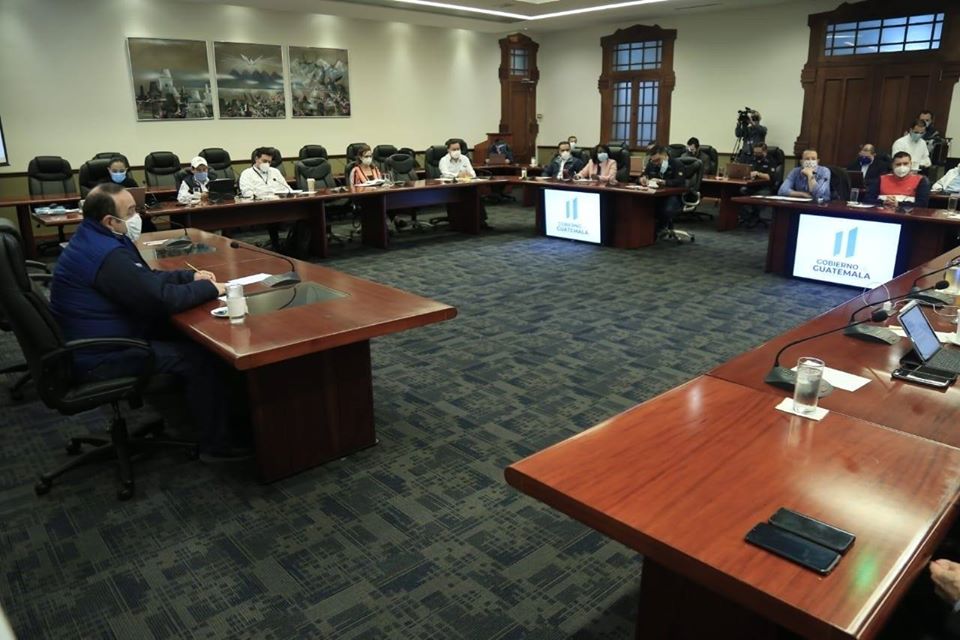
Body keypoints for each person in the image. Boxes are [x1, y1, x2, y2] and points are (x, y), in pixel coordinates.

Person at [48, 184, 250, 459]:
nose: (138, 216)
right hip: (101, 356)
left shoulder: (95, 237)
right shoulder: (106, 253)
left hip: (99, 339)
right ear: (110, 220)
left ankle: (228, 412)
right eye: (131, 211)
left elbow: (143, 278)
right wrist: (212, 289)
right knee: (199, 356)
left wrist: (188, 277)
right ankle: (217, 445)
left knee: (188, 335)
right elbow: (159, 300)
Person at [438, 140, 490, 229]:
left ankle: (481, 222)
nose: (456, 151)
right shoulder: (443, 160)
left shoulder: (465, 158)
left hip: (465, 185)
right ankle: (457, 223)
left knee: (476, 195)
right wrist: (458, 175)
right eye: (454, 149)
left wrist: (466, 175)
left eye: (458, 149)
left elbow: (472, 174)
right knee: (459, 197)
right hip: (450, 188)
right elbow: (445, 174)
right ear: (448, 150)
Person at [639, 146, 685, 236]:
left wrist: (664, 182)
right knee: (640, 206)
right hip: (654, 195)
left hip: (672, 196)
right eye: (653, 161)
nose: (655, 163)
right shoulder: (651, 164)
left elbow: (680, 182)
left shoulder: (677, 164)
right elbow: (641, 177)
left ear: (664, 155)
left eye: (658, 160)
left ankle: (658, 229)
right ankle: (645, 232)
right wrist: (642, 179)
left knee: (666, 209)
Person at [739, 143, 779, 227]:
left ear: (765, 152)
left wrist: (758, 173)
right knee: (739, 191)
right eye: (755, 153)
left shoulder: (771, 161)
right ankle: (746, 216)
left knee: (757, 196)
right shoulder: (752, 160)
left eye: (759, 153)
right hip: (751, 185)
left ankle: (754, 217)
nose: (756, 155)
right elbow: (746, 171)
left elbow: (769, 177)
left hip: (766, 187)